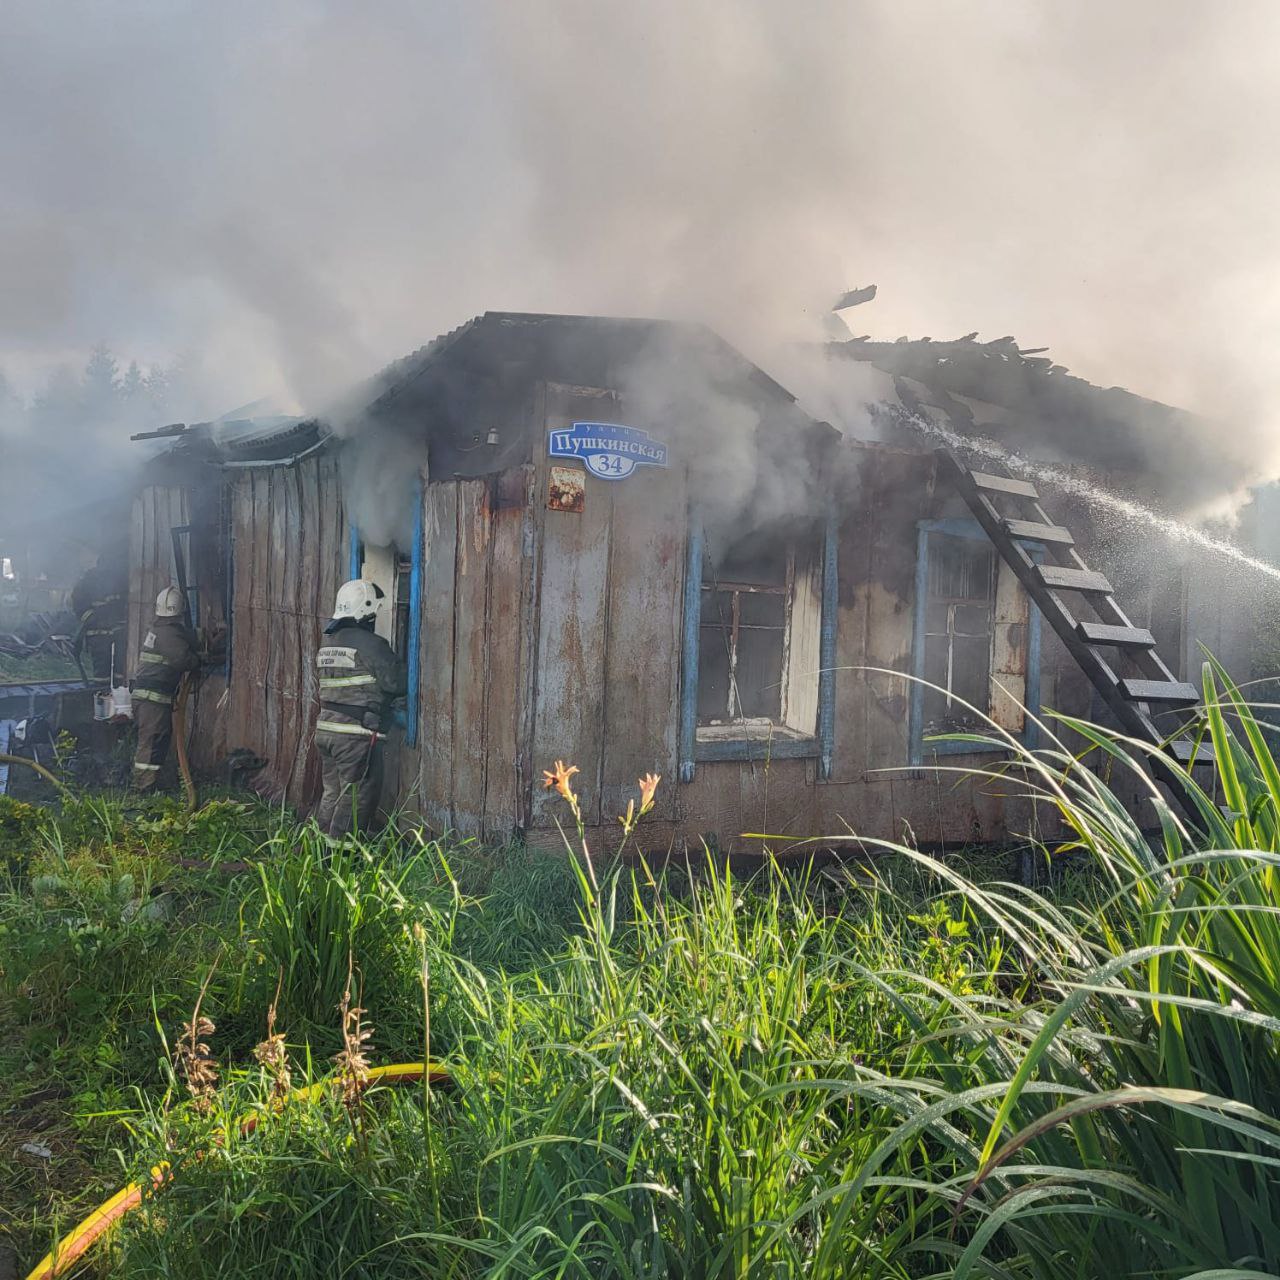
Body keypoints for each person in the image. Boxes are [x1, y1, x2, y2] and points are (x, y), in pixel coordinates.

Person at [313, 578, 406, 839]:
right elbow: (397, 683)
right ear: (366, 610)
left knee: (332, 793)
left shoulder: (329, 643)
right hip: (355, 735)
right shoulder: (371, 644)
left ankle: (320, 850)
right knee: (355, 798)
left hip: (326, 730)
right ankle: (343, 856)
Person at [130, 586, 200, 794]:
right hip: (152, 699)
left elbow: (185, 638)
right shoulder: (168, 634)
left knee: (157, 739)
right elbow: (183, 660)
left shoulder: (161, 630)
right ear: (180, 611)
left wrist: (204, 636)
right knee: (152, 740)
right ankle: (143, 787)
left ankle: (150, 783)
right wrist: (200, 660)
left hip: (150, 699)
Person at [70, 552, 128, 683]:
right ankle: (101, 692)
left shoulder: (121, 581)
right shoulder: (87, 582)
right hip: (98, 634)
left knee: (121, 671)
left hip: (119, 634)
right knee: (102, 673)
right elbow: (79, 608)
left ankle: (119, 690)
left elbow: (127, 603)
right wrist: (94, 619)